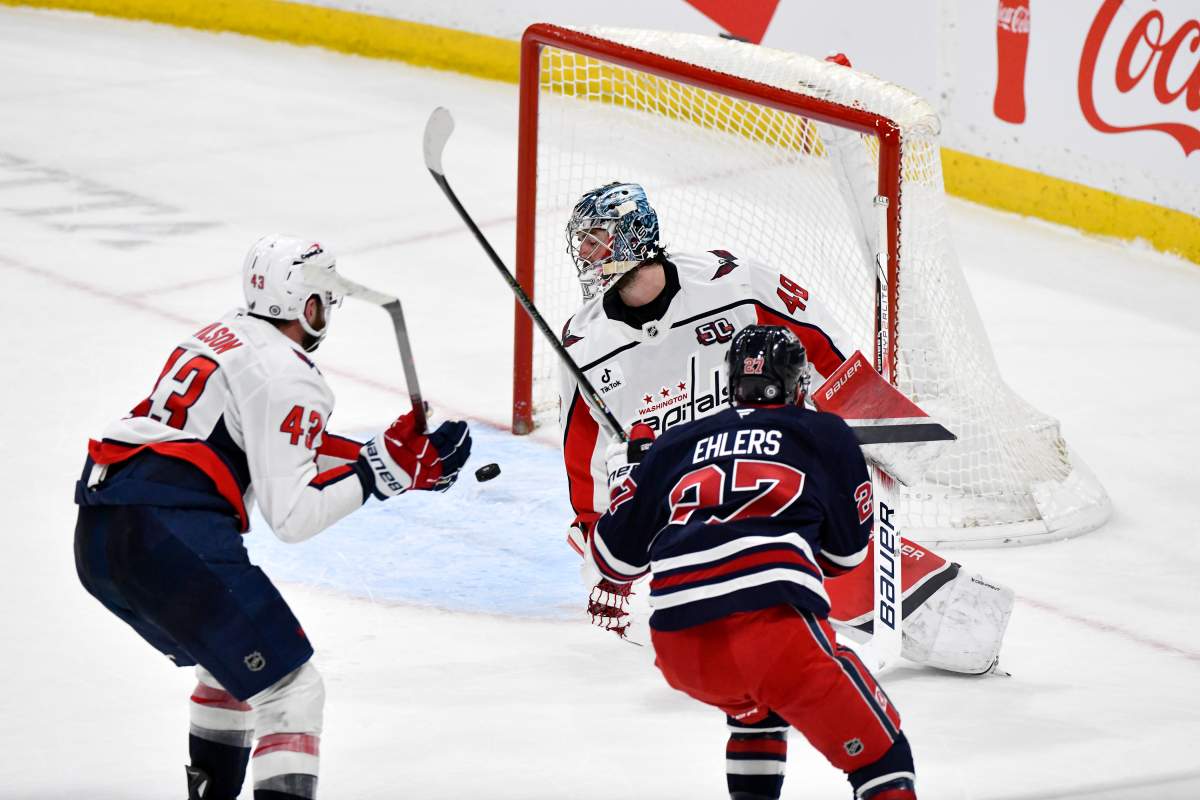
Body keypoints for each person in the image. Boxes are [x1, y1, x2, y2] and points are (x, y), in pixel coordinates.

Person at [73, 235, 472, 800]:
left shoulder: (220, 336)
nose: (327, 312)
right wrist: (382, 473)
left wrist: (378, 452)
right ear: (307, 305)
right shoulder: (291, 374)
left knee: (231, 670)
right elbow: (293, 516)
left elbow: (268, 440)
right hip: (167, 536)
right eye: (324, 299)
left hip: (100, 536)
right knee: (291, 692)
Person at [558, 182, 1013, 674]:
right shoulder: (583, 344)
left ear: (634, 235)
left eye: (596, 238)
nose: (585, 253)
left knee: (964, 623)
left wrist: (886, 438)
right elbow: (583, 461)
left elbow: (825, 354)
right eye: (582, 242)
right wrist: (601, 556)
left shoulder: (734, 285)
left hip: (767, 464)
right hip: (681, 502)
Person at [585, 325, 917, 800]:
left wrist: (626, 480)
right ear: (797, 383)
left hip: (680, 648)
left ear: (730, 382)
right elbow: (846, 555)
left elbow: (612, 561)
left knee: (758, 715)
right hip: (773, 630)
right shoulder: (822, 432)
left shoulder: (674, 443)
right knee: (884, 757)